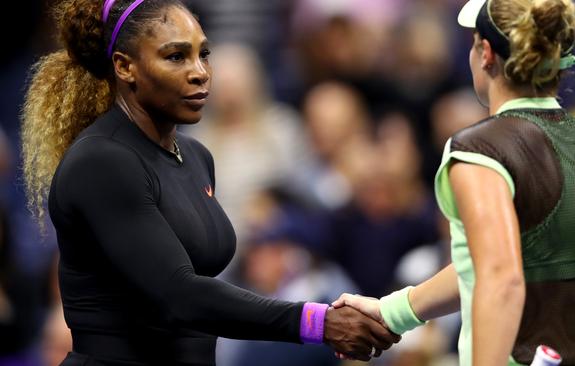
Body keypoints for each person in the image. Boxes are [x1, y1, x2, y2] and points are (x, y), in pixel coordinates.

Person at [20, 0, 400, 365]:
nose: (200, 71)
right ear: (125, 67)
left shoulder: (197, 157)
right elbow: (179, 294)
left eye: (204, 54)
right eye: (175, 56)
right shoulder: (101, 161)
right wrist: (315, 322)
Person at [333, 0, 575, 365]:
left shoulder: (479, 150)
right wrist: (393, 311)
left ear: (486, 53)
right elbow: (493, 261)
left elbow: (501, 278)